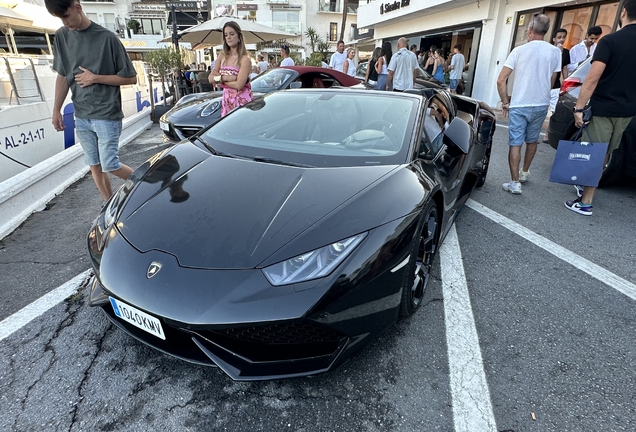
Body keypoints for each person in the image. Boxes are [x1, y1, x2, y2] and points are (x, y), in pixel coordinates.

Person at [44, 0, 136, 201]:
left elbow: (130, 77)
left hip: (106, 114)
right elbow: (63, 75)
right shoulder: (61, 36)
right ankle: (109, 206)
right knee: (94, 165)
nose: (64, 22)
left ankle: (146, 183)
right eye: (60, 18)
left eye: (66, 16)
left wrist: (95, 77)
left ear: (77, 7)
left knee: (110, 164)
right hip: (82, 115)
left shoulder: (107, 38)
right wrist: (56, 110)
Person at [566, 0, 636, 216]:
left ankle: (586, 202)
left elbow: (592, 78)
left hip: (604, 108)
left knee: (594, 153)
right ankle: (587, 188)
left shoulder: (610, 41)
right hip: (627, 111)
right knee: (605, 153)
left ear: (623, 12)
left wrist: (578, 109)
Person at [496, 13, 561, 195]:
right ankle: (524, 172)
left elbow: (501, 80)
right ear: (546, 32)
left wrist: (505, 101)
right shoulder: (555, 52)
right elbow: (553, 78)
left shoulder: (519, 51)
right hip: (541, 103)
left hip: (519, 103)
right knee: (532, 140)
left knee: (515, 143)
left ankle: (514, 182)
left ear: (530, 30)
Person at [211, 21, 253, 117]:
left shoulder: (245, 59)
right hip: (226, 100)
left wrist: (219, 80)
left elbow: (239, 85)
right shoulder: (222, 56)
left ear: (239, 36)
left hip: (242, 101)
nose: (228, 37)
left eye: (232, 34)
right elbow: (210, 78)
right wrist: (226, 78)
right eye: (226, 35)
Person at [548, 28, 571, 115]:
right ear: (554, 39)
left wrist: (566, 82)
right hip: (544, 82)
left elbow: (564, 68)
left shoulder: (565, 52)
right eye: (559, 37)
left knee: (554, 109)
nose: (561, 39)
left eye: (564, 37)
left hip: (556, 84)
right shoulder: (548, 50)